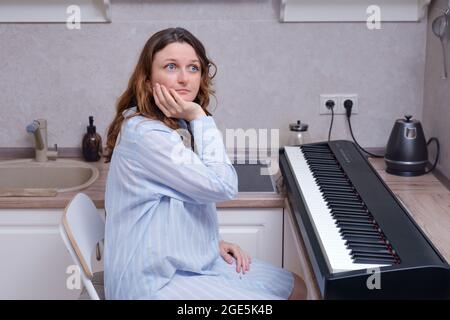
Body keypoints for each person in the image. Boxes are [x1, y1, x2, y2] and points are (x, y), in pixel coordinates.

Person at [104, 27, 307, 300]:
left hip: (184, 262)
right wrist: (199, 115)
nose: (184, 79)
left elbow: (179, 204)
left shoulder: (174, 123)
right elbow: (223, 185)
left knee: (296, 286)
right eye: (171, 66)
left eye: (193, 68)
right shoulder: (147, 135)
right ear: (148, 78)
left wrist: (212, 244)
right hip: (152, 283)